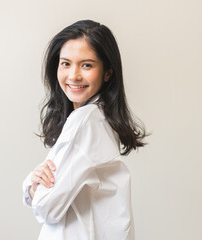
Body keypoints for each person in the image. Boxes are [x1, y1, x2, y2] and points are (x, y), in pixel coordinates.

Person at [22, 19, 148, 240]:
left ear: (107, 72)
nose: (74, 76)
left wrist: (33, 187)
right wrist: (34, 183)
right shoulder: (98, 118)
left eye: (87, 65)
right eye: (66, 63)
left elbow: (46, 207)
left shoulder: (86, 122)